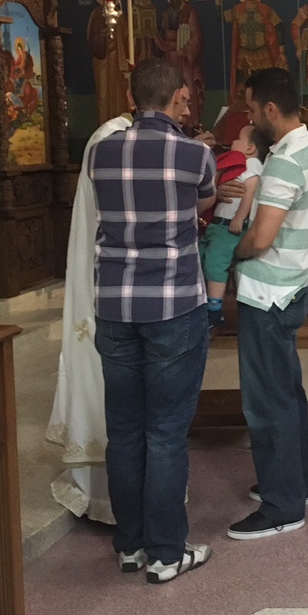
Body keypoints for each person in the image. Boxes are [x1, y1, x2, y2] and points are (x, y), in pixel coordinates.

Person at [88, 58, 216, 583]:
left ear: (131, 97)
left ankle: (130, 544)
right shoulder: (194, 155)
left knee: (123, 431)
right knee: (165, 433)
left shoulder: (101, 151)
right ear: (178, 97)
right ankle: (166, 553)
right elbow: (206, 198)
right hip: (172, 304)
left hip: (114, 305)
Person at [229, 67, 308, 540]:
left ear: (269, 109)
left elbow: (261, 238)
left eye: (251, 109)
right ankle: (296, 481)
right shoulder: (303, 145)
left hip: (268, 293)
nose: (248, 118)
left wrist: (234, 252)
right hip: (291, 285)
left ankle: (283, 504)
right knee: (286, 390)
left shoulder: (284, 160)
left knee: (267, 401)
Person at [46, 109, 133, 523]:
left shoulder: (118, 137)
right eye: (182, 101)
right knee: (106, 384)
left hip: (119, 283)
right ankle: (108, 497)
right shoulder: (109, 140)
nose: (186, 111)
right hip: (106, 284)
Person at [200, 124, 266, 328]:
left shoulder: (252, 164)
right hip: (217, 225)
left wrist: (239, 218)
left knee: (215, 263)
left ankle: (214, 308)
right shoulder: (242, 164)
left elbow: (251, 190)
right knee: (203, 258)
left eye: (238, 138)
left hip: (228, 226)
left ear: (250, 148)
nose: (233, 142)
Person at [224, 0, 286, 104]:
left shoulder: (265, 9)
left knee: (264, 86)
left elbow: (279, 25)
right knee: (245, 87)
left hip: (261, 54)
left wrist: (281, 49)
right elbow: (221, 17)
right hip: (244, 54)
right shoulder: (238, 10)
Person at [156, 0, 205, 127]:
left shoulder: (189, 12)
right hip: (169, 58)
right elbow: (162, 33)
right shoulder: (166, 12)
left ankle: (190, 125)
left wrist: (185, 50)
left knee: (188, 90)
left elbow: (196, 36)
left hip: (184, 61)